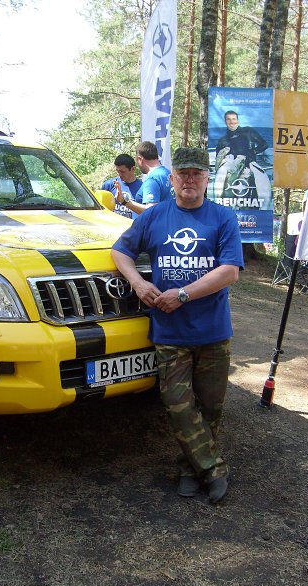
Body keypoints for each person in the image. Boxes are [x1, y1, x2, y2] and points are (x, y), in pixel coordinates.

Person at [111, 147, 244, 503]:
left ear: (207, 179)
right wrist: (138, 283)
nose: (190, 180)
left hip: (213, 330)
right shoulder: (154, 216)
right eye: (183, 173)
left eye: (197, 174)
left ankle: (190, 468)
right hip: (170, 332)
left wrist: (183, 294)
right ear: (172, 179)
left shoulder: (223, 218)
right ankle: (214, 469)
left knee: (210, 408)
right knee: (177, 404)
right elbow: (120, 251)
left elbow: (229, 271)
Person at [115, 141, 174, 216]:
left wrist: (124, 201)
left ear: (140, 159)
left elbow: (151, 211)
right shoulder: (168, 173)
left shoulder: (152, 179)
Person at [101, 154, 142, 219]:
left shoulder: (142, 187)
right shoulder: (109, 185)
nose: (120, 174)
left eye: (122, 172)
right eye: (118, 171)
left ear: (133, 169)